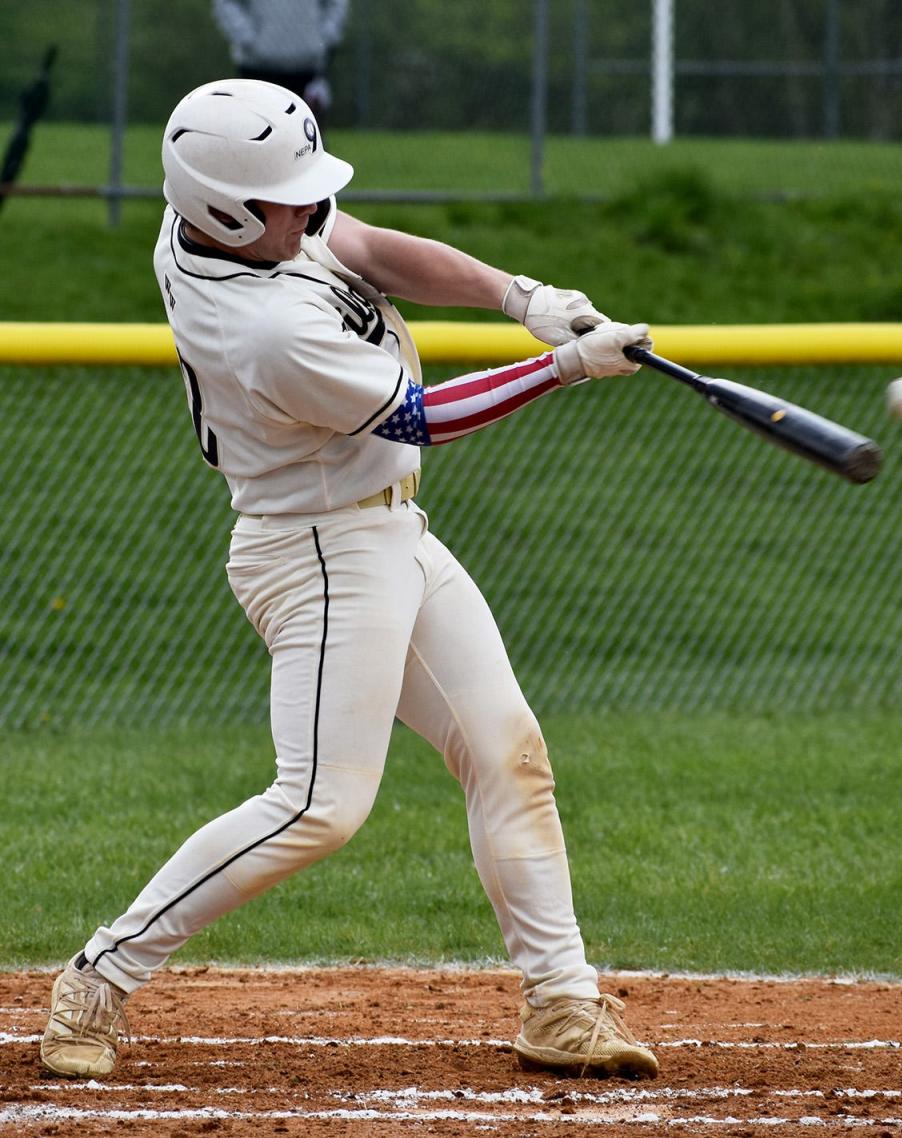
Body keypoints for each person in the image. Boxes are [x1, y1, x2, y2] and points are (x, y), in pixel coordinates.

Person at [39, 79, 658, 1084]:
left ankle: (561, 1003)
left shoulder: (242, 220)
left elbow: (367, 248)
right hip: (319, 552)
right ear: (228, 211)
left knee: (508, 752)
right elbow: (425, 416)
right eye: (293, 200)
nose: (315, 211)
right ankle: (98, 975)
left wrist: (523, 298)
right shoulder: (263, 330)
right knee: (321, 802)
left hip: (386, 529)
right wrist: (565, 368)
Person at [212, 0, 349, 126]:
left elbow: (336, 5)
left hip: (308, 70)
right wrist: (247, 37)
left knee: (307, 143)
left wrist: (324, 39)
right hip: (256, 70)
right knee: (252, 138)